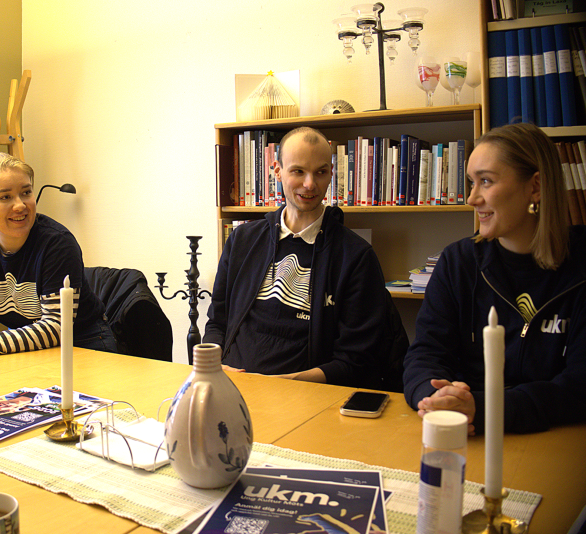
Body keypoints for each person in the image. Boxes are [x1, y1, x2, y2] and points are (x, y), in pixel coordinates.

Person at [403, 123, 586, 434]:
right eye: (471, 183)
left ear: (535, 187)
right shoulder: (457, 262)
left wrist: (487, 408)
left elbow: (580, 385)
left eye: (485, 182)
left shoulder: (580, 266)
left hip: (556, 439)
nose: (472, 198)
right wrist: (435, 397)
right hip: (464, 429)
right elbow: (424, 354)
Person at [204, 127, 404, 388]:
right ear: (277, 171)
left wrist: (286, 383)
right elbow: (217, 323)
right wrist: (214, 367)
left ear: (331, 173)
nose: (310, 184)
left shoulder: (355, 257)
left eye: (320, 172)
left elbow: (356, 361)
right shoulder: (242, 240)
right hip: (232, 388)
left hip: (308, 396)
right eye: (298, 171)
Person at [0, 151, 116, 358]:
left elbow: (56, 327)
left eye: (26, 193)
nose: (20, 205)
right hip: (26, 344)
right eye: (5, 197)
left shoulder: (58, 243)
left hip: (84, 343)